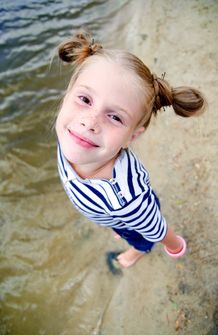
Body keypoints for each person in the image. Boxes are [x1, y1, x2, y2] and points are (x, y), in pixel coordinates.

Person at [55, 32, 206, 269]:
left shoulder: (126, 200)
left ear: (132, 137)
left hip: (130, 215)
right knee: (124, 222)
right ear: (67, 95)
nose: (89, 122)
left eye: (114, 117)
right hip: (111, 213)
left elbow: (156, 226)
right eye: (85, 99)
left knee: (141, 233)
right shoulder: (72, 136)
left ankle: (138, 249)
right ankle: (119, 224)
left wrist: (174, 245)